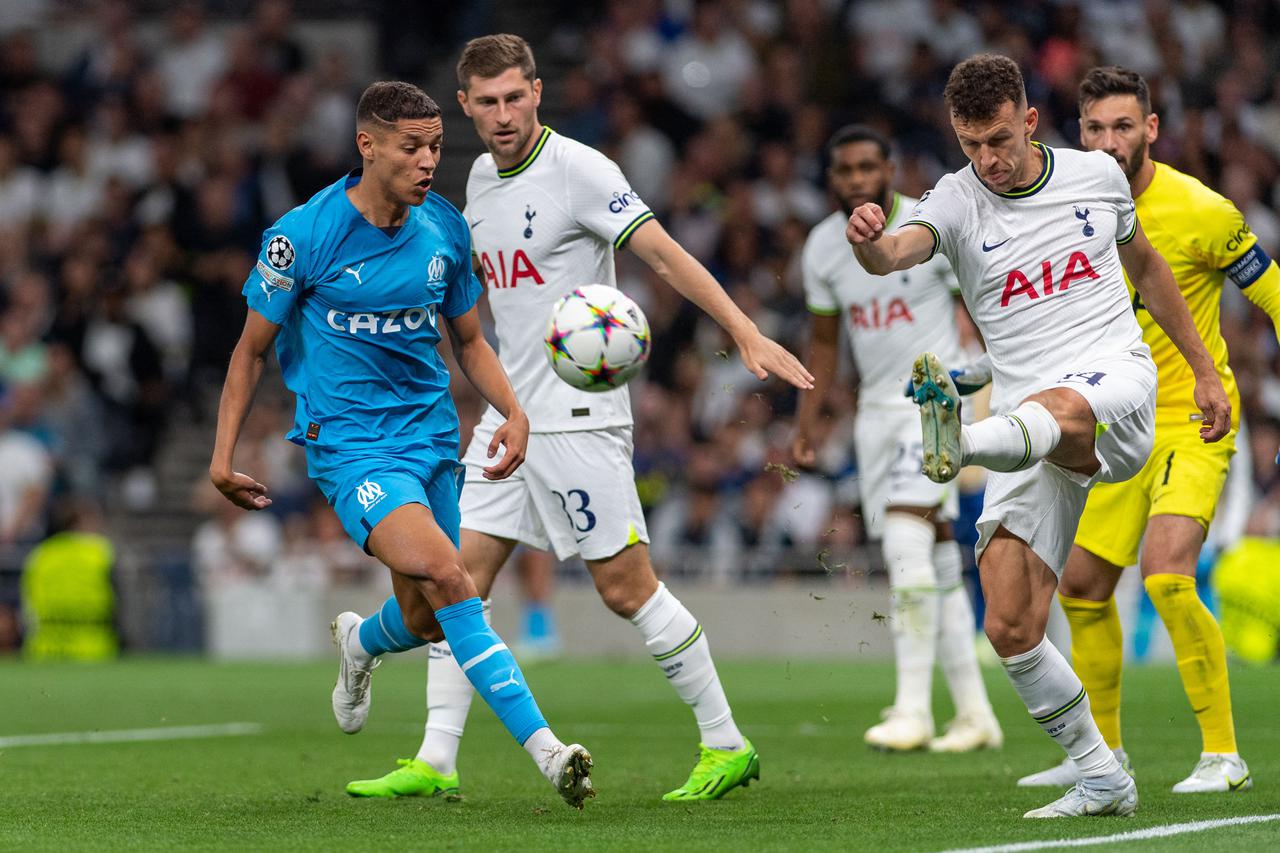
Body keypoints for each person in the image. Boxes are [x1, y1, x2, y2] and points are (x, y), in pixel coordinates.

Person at [344, 33, 812, 803]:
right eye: (487, 102)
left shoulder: (581, 170)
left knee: (626, 589)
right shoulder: (477, 181)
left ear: (536, 92)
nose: (503, 114)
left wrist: (744, 328)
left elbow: (662, 253)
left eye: (514, 97)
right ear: (465, 106)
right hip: (510, 418)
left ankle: (727, 743)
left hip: (580, 416)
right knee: (452, 584)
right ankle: (435, 756)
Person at [845, 54, 1231, 819]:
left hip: (1113, 388)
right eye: (970, 144)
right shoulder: (956, 199)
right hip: (1028, 425)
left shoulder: (1096, 176)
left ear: (1028, 121)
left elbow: (1150, 271)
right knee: (1010, 620)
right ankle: (1100, 773)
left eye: (998, 140)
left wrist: (1204, 372)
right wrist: (867, 239)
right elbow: (892, 254)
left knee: (1060, 408)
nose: (987, 159)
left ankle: (960, 442)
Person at [208, 80, 595, 810]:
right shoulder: (303, 235)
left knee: (421, 618)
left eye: (436, 147)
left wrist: (513, 411)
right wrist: (222, 456)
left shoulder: (444, 227)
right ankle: (549, 752)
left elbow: (470, 341)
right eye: (412, 147)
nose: (428, 162)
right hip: (351, 446)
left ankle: (360, 643)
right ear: (368, 145)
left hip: (431, 439)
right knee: (453, 576)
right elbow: (250, 351)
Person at [1017, 65, 1280, 795]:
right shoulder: (1062, 208)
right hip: (1112, 424)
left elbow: (1274, 295)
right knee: (1081, 587)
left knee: (1166, 573)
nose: (1110, 142)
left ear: (1151, 129)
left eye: (1124, 126)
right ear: (1079, 133)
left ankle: (1224, 755)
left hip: (1194, 418)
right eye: (1096, 128)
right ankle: (1103, 755)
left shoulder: (1203, 210)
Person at [793, 124, 1000, 753]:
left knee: (907, 540)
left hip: (932, 404)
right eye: (845, 169)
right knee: (934, 557)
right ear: (831, 178)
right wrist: (808, 420)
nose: (857, 178)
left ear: (890, 168)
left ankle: (912, 709)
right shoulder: (822, 247)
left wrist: (987, 380)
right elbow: (825, 342)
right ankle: (975, 715)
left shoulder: (927, 226)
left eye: (867, 166)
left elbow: (981, 310)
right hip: (873, 416)